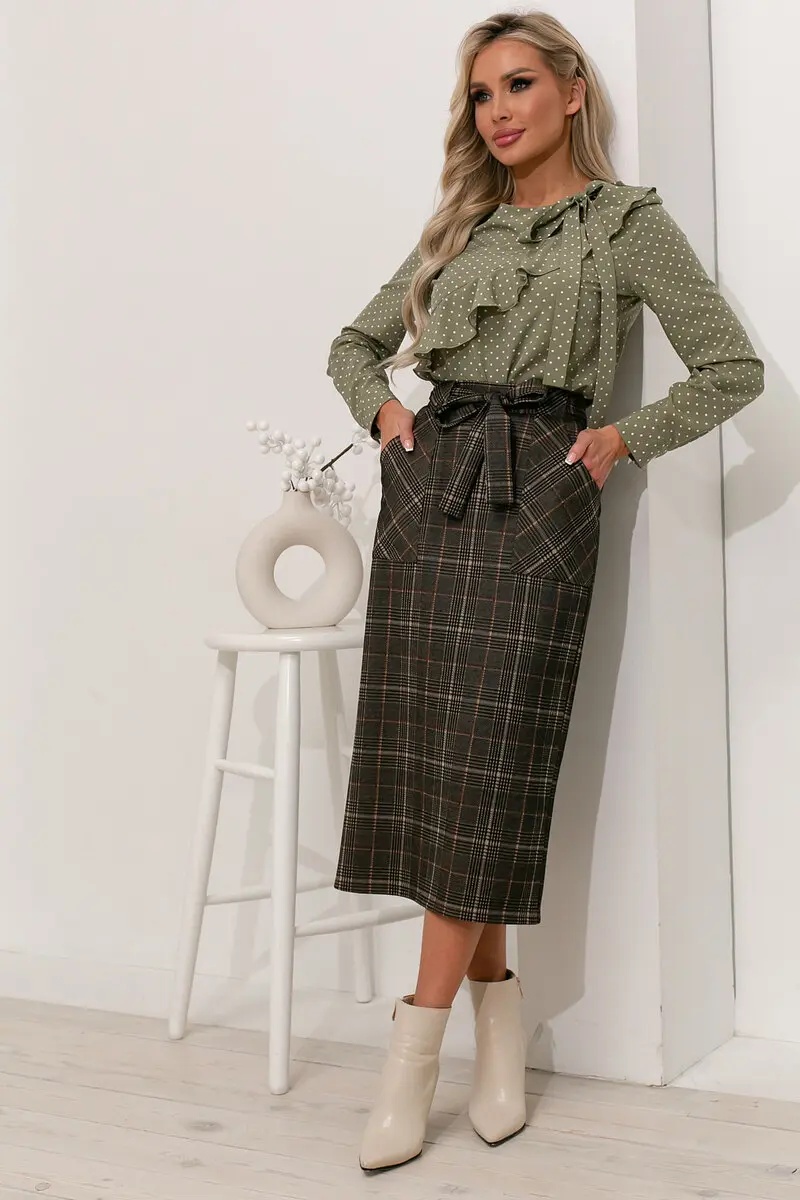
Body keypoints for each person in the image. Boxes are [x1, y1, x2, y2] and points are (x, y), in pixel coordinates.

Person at [326, 9, 764, 1175]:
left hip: (541, 501)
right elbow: (351, 347)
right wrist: (387, 417)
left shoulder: (625, 223)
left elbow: (731, 368)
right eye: (480, 94)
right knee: (435, 766)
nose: (497, 111)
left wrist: (620, 439)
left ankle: (409, 1056)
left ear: (570, 91)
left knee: (487, 765)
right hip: (430, 494)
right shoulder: (458, 230)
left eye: (517, 84)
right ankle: (498, 1031)